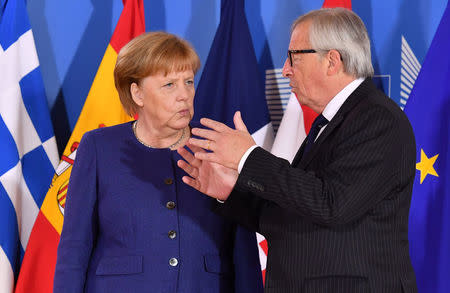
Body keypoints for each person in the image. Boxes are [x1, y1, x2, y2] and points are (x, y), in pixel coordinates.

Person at [177, 8, 418, 293]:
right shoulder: (329, 123)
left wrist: (248, 156)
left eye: (294, 56)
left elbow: (332, 205)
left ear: (332, 60)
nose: (285, 69)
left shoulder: (377, 119)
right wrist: (231, 192)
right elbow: (293, 214)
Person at [53, 32, 263, 293]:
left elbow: (243, 248)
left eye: (188, 82)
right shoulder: (98, 147)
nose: (184, 95)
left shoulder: (219, 145)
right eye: (169, 85)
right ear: (137, 93)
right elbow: (75, 246)